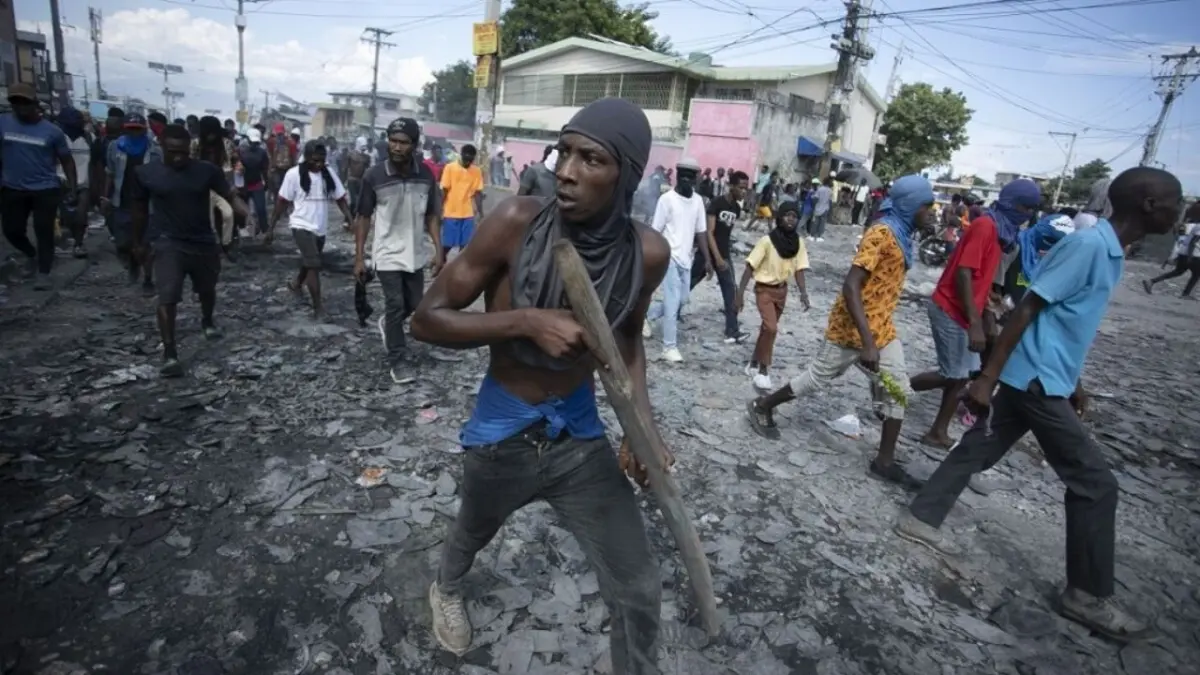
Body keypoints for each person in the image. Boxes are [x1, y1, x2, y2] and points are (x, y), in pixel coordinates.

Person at [409, 97, 671, 671]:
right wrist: (523, 321)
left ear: (625, 175)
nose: (567, 171)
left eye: (591, 159)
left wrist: (641, 428)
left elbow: (627, 342)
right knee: (472, 530)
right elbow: (424, 319)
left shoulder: (647, 254)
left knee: (638, 585)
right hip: (504, 429)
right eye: (565, 151)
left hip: (578, 435)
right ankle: (446, 587)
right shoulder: (514, 223)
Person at [897, 167, 1183, 642]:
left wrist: (1075, 380)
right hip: (1034, 380)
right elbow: (1028, 307)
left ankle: (920, 515)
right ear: (1149, 204)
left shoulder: (1110, 250)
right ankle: (1086, 595)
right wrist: (986, 377)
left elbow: (1065, 322)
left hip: (1046, 375)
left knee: (980, 446)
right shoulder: (1089, 246)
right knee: (1095, 484)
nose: (1183, 211)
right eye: (1175, 201)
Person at [746, 175, 936, 490]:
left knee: (898, 388)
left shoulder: (903, 235)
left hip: (882, 327)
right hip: (852, 327)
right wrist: (868, 343)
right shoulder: (881, 234)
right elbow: (851, 286)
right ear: (910, 205)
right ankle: (763, 405)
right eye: (926, 206)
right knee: (818, 377)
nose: (932, 211)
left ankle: (884, 462)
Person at [909, 180, 1041, 448]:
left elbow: (983, 277)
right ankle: (895, 387)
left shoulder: (1003, 233)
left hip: (966, 309)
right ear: (1011, 202)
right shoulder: (986, 227)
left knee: (962, 374)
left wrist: (988, 310)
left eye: (1032, 209)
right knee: (953, 374)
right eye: (1024, 207)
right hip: (950, 306)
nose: (1028, 214)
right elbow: (963, 273)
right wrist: (974, 323)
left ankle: (938, 430)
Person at [129, 124, 248, 377]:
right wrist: (138, 242)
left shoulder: (206, 171)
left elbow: (229, 192)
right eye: (173, 152)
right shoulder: (146, 173)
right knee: (168, 297)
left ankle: (207, 320)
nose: (179, 157)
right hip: (167, 241)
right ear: (161, 147)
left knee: (207, 289)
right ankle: (170, 354)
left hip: (203, 241)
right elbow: (139, 210)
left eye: (183, 152)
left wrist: (240, 208)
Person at [353, 118, 444, 379]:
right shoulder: (374, 176)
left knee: (415, 304)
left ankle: (389, 324)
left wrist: (439, 251)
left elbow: (431, 216)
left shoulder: (426, 175)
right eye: (393, 141)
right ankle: (397, 360)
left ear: (414, 145)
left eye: (403, 142)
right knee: (395, 303)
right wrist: (360, 257)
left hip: (415, 252)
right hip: (387, 252)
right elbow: (364, 217)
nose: (397, 147)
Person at [0, 84, 77, 289]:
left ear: (35, 104)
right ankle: (31, 254)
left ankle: (44, 273)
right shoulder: (3, 124)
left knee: (44, 231)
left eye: (25, 101)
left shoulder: (52, 132)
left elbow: (67, 160)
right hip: (12, 187)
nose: (21, 106)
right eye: (16, 102)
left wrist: (72, 186)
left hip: (45, 189)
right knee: (11, 230)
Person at [734, 200, 810, 391]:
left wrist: (803, 293)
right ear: (780, 218)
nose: (791, 220)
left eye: (794, 216)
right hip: (764, 290)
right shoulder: (767, 241)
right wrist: (740, 293)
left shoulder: (798, 243)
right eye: (787, 215)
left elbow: (799, 269)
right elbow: (750, 266)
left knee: (767, 330)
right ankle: (763, 370)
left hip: (781, 291)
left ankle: (752, 362)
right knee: (772, 328)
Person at [272, 141, 351, 319]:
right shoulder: (293, 175)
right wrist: (271, 228)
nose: (319, 164)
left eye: (322, 160)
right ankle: (318, 308)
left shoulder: (328, 173)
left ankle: (296, 284)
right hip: (300, 224)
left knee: (310, 260)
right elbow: (282, 201)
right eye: (315, 160)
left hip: (320, 227)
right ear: (306, 158)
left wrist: (349, 218)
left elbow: (340, 198)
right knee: (314, 264)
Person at [644, 158, 711, 363]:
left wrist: (707, 260)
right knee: (672, 304)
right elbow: (656, 231)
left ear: (696, 179)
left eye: (691, 177)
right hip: (669, 257)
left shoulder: (698, 201)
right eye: (683, 176)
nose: (687, 180)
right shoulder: (667, 200)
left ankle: (647, 316)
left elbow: (701, 232)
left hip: (686, 259)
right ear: (678, 176)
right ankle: (669, 347)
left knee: (682, 300)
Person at [105, 112, 163, 292]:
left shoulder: (155, 150)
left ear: (143, 130)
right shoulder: (115, 147)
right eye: (131, 130)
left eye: (138, 130)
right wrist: (105, 197)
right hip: (122, 201)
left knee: (146, 243)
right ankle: (133, 262)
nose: (134, 133)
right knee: (124, 242)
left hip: (148, 205)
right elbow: (110, 173)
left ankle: (147, 279)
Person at [707, 170, 750, 344]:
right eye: (741, 187)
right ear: (731, 186)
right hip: (708, 255)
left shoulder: (736, 209)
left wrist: (723, 257)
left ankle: (731, 331)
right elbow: (709, 233)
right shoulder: (716, 204)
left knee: (730, 291)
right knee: (685, 287)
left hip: (724, 255)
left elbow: (726, 234)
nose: (744, 191)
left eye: (746, 188)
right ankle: (655, 315)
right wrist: (716, 258)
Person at [193, 116, 237, 248]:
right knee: (209, 219)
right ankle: (213, 244)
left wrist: (234, 178)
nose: (210, 136)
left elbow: (233, 162)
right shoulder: (195, 144)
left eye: (213, 133)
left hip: (221, 186)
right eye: (207, 133)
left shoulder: (226, 144)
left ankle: (226, 243)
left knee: (228, 214)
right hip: (200, 187)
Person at [56, 106, 93, 258]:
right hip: (60, 182)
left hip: (82, 183)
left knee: (81, 216)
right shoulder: (58, 138)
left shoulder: (89, 138)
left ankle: (78, 244)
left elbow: (94, 162)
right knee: (65, 217)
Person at [1143, 201, 1200, 297]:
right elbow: (1193, 242)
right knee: (1195, 274)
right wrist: (1190, 257)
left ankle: (1151, 281)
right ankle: (1185, 294)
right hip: (1192, 254)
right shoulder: (1198, 227)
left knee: (1179, 272)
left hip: (1184, 252)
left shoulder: (1194, 225)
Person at [439, 143, 483, 257]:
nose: (468, 162)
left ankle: (458, 269)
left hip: (468, 214)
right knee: (447, 244)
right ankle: (440, 262)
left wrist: (481, 213)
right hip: (451, 212)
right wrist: (439, 209)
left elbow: (478, 193)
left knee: (465, 246)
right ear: (461, 155)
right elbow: (444, 190)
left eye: (470, 160)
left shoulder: (476, 171)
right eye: (466, 159)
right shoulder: (450, 168)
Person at [236, 128, 270, 239]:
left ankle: (265, 230)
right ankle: (241, 228)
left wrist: (267, 182)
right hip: (244, 185)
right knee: (241, 209)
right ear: (247, 140)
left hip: (257, 184)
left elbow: (264, 169)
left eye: (256, 143)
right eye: (252, 142)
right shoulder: (240, 151)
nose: (254, 144)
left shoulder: (262, 153)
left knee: (261, 209)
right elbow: (236, 169)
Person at [265, 123, 297, 203]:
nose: (279, 135)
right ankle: (280, 205)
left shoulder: (272, 142)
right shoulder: (290, 142)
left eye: (280, 133)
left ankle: (281, 204)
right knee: (280, 188)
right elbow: (293, 157)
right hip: (281, 169)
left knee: (282, 188)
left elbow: (270, 155)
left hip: (283, 169)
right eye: (278, 133)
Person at [344, 137, 371, 220]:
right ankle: (348, 219)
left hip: (361, 180)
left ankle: (355, 218)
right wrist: (344, 180)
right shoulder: (351, 154)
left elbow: (368, 169)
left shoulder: (366, 157)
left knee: (360, 201)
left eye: (364, 145)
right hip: (351, 179)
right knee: (353, 201)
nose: (363, 147)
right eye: (362, 145)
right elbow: (345, 168)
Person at [808, 176, 833, 241]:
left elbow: (816, 198)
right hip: (825, 209)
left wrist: (813, 204)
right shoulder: (830, 191)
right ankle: (819, 236)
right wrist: (830, 210)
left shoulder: (820, 189)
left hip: (818, 208)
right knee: (822, 223)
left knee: (815, 222)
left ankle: (812, 236)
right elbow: (830, 201)